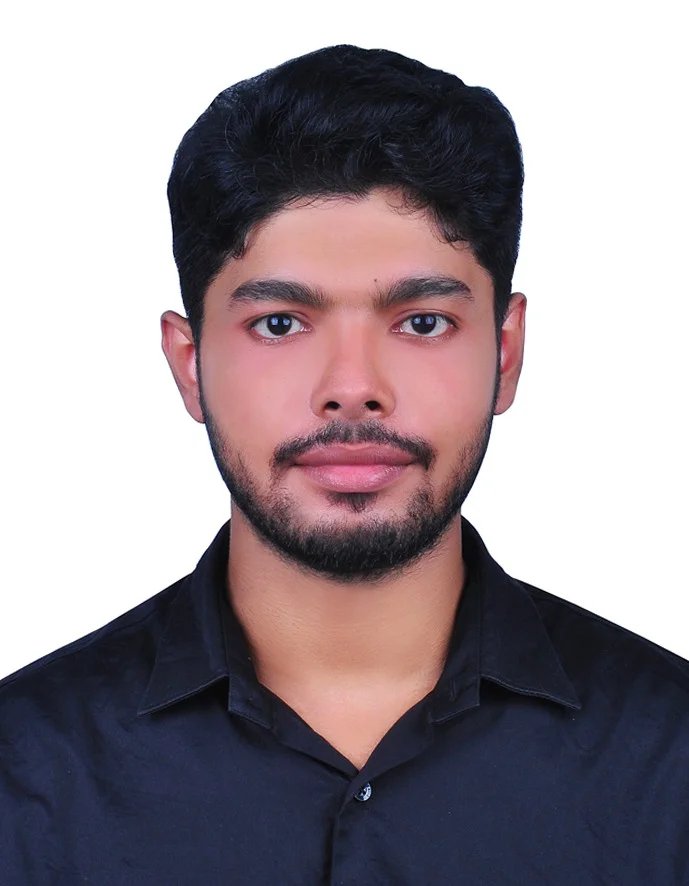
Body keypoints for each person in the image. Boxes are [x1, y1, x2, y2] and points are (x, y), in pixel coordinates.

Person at [1, 44, 687, 885]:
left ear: (506, 354)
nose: (353, 388)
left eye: (423, 322)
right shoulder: (23, 772)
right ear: (189, 365)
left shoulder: (670, 759)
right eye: (280, 324)